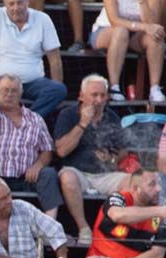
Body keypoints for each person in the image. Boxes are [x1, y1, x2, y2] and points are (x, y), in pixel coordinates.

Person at [55, 75, 130, 246]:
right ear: (82, 96)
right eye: (94, 95)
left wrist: (111, 158)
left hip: (104, 174)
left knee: (131, 181)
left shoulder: (111, 116)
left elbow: (123, 151)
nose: (99, 100)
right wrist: (82, 123)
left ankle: (110, 228)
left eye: (103, 95)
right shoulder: (68, 114)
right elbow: (61, 150)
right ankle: (84, 229)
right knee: (67, 177)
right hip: (78, 172)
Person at [0, 74, 60, 218]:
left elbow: (47, 149)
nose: (9, 94)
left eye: (14, 91)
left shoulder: (35, 119)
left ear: (20, 94)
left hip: (25, 178)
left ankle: (50, 225)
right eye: (5, 90)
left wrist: (38, 165)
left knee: (49, 173)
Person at [0, 0, 65, 120]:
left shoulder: (43, 19)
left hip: (32, 83)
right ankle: (12, 123)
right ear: (4, 3)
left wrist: (56, 85)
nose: (16, 8)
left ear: (28, 2)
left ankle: (28, 121)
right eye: (11, 3)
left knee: (58, 90)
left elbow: (55, 60)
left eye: (20, 3)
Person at [89, 0, 166, 104]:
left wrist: (142, 2)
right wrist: (142, 26)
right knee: (121, 31)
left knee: (156, 38)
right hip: (107, 29)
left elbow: (152, 24)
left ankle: (155, 89)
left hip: (136, 34)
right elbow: (114, 20)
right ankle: (114, 87)